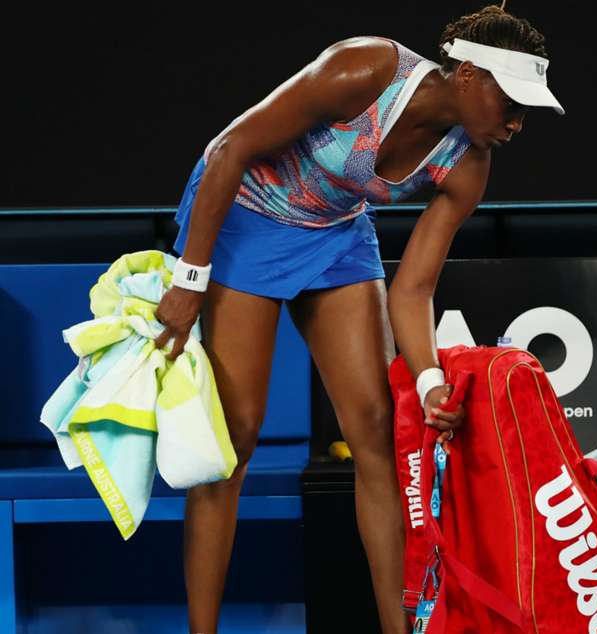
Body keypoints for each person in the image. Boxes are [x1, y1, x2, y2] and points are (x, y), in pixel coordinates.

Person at [153, 3, 563, 633]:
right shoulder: (365, 68)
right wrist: (190, 277)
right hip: (244, 216)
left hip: (335, 233)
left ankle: (400, 629)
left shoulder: (469, 163)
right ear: (466, 75)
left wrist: (428, 381)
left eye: (525, 112)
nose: (515, 123)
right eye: (509, 102)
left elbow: (414, 289)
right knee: (236, 436)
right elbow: (231, 148)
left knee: (378, 431)